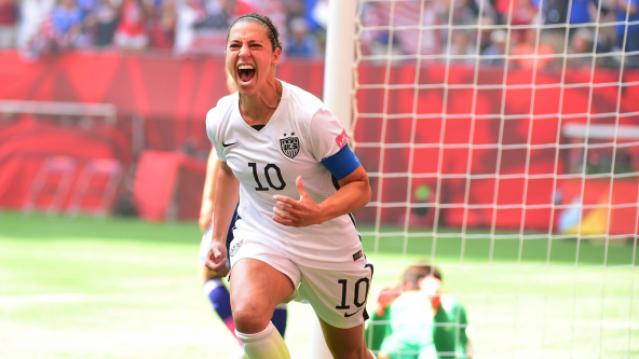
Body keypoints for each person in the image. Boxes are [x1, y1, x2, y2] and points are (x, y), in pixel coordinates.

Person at [205, 13, 374, 358]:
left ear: (276, 54)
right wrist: (219, 237)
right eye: (235, 45)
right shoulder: (220, 119)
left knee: (351, 354)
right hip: (263, 234)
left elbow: (360, 186)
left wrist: (318, 213)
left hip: (328, 243)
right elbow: (226, 171)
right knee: (249, 315)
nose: (243, 53)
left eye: (255, 45)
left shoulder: (309, 116)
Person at [365, 263, 472, 359]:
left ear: (406, 284)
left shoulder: (396, 302)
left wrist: (380, 309)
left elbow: (370, 344)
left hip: (398, 350)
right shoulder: (451, 302)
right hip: (436, 350)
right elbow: (460, 345)